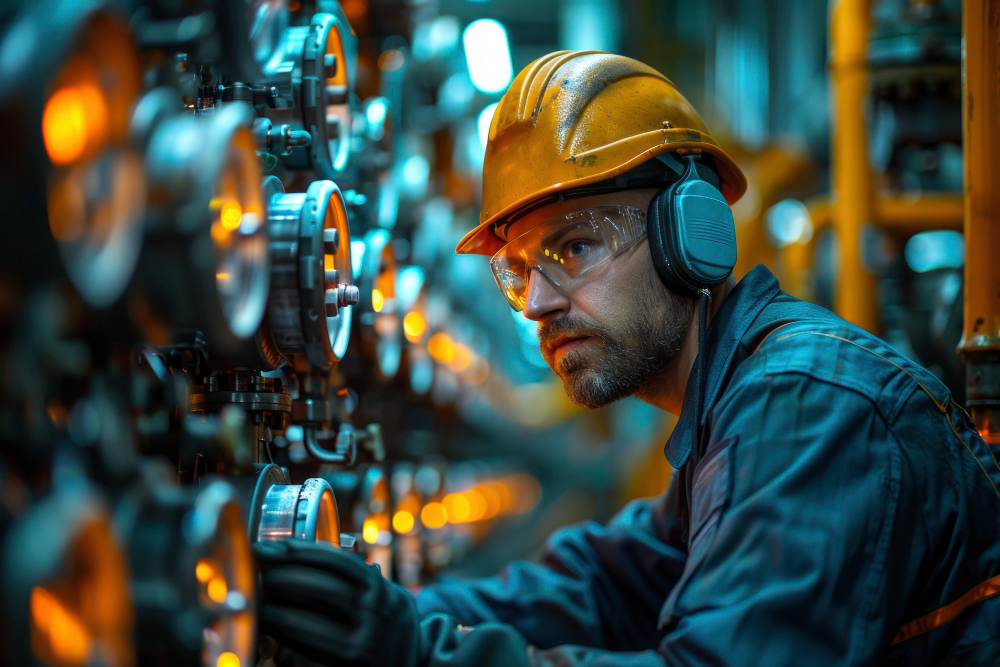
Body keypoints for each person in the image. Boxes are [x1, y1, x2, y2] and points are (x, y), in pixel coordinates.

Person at [252, 51, 1000, 666]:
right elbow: (605, 585)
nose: (538, 302)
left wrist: (415, 653)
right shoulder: (728, 417)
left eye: (573, 247)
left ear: (691, 233)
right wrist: (362, 608)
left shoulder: (806, 408)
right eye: (517, 272)